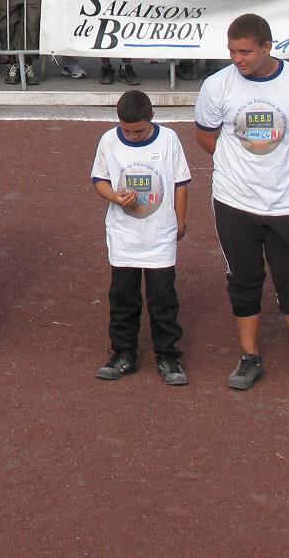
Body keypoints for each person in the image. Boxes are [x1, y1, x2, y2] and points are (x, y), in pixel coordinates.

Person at [195, 13, 289, 394]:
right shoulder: (216, 85)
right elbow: (206, 137)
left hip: (286, 202)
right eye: (233, 52)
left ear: (267, 47)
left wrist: (278, 167)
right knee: (243, 279)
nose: (238, 59)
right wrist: (241, 165)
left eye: (245, 52)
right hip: (234, 200)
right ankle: (249, 357)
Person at [90, 89, 190, 386]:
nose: (132, 136)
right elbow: (100, 179)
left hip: (159, 234)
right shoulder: (109, 140)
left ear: (152, 119)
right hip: (124, 236)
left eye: (139, 130)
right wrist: (115, 197)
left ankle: (168, 355)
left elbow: (182, 182)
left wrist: (180, 220)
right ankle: (123, 353)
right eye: (127, 130)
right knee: (123, 298)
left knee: (163, 299)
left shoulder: (169, 139)